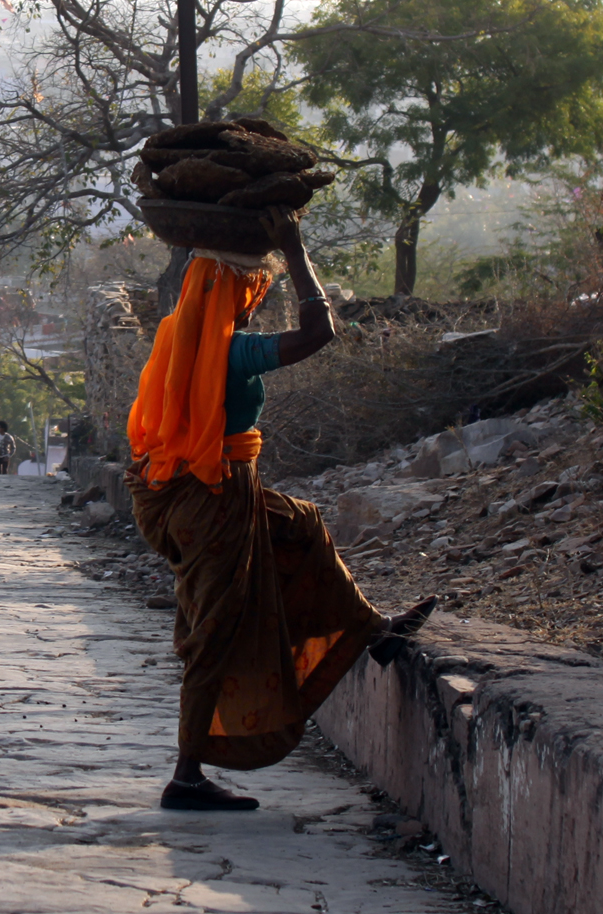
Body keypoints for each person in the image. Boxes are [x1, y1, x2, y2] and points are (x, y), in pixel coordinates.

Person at [126, 205, 436, 812]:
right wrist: (295, 251)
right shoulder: (229, 351)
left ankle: (373, 631)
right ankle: (186, 775)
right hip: (214, 496)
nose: (254, 300)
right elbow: (321, 334)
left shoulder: (172, 337)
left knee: (300, 524)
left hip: (182, 490)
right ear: (228, 293)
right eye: (249, 289)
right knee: (210, 629)